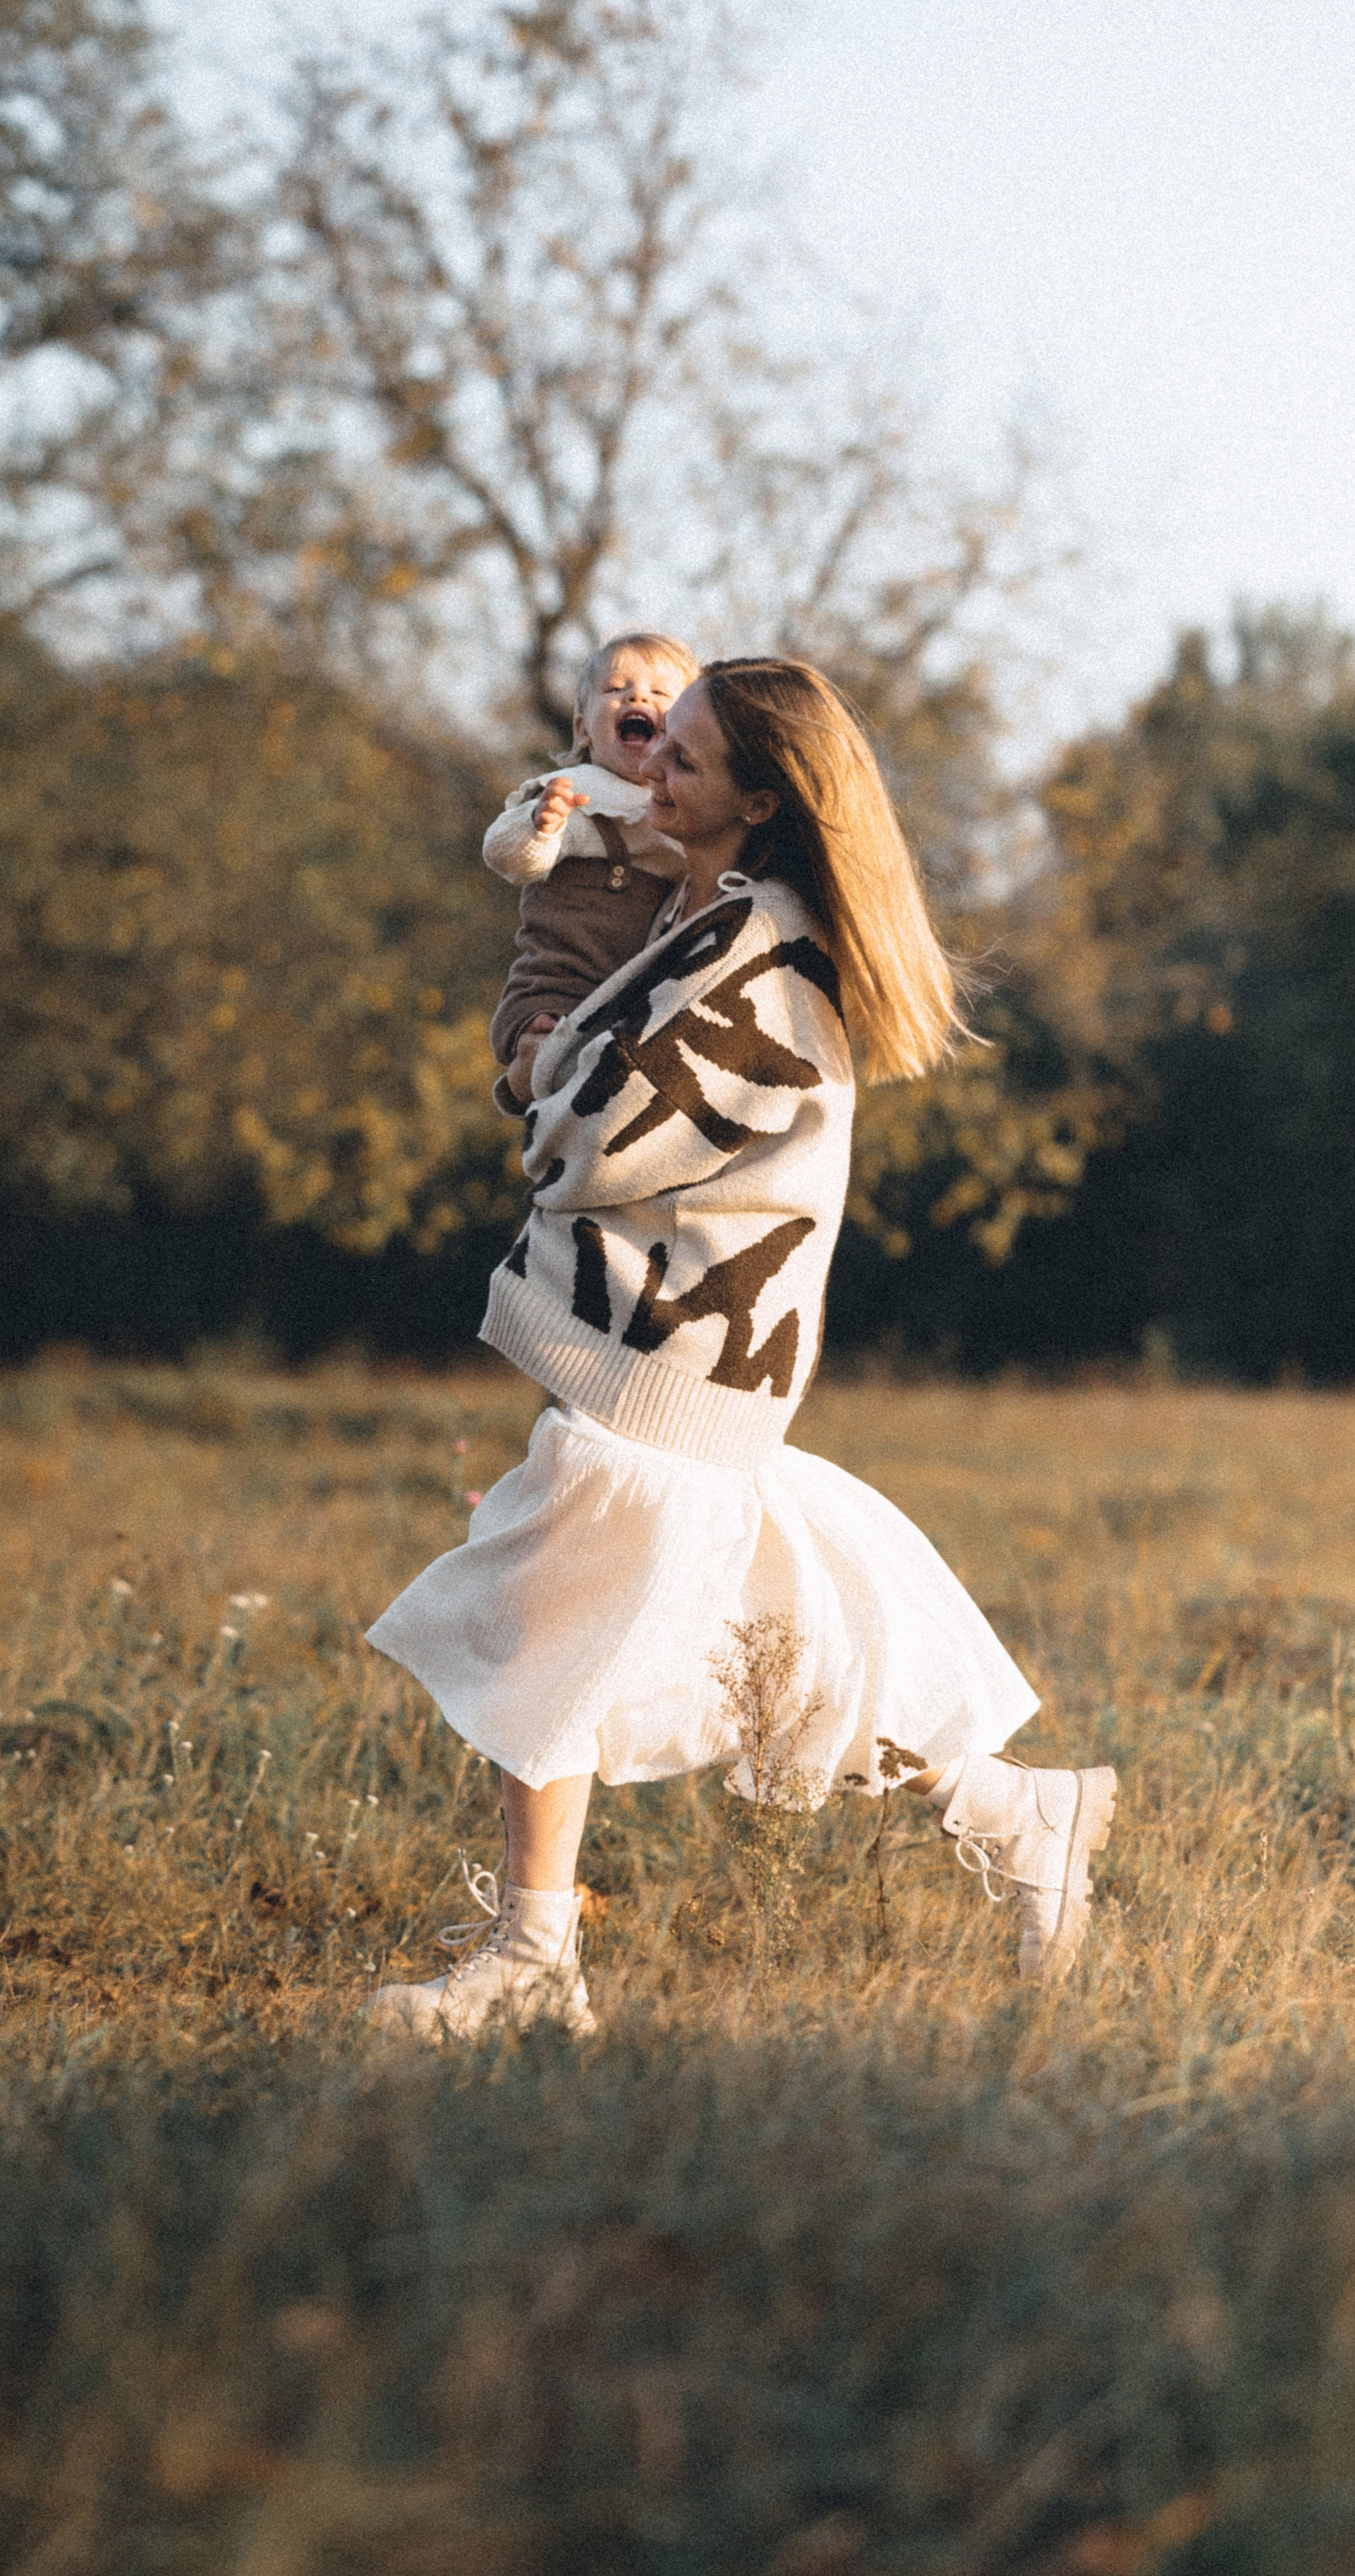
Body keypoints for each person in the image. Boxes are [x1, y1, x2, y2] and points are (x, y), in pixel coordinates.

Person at [365, 658, 1115, 2038]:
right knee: (774, 1644)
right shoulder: (714, 912)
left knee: (545, 1621)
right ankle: (1021, 1815)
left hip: (673, 1347)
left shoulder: (756, 948)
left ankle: (533, 1960)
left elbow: (593, 1138)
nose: (650, 771)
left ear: (760, 799)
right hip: (688, 1342)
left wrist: (532, 1077)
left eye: (686, 762)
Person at [484, 632, 701, 1115]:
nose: (637, 697)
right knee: (548, 1050)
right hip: (562, 979)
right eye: (616, 688)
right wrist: (541, 827)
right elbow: (506, 854)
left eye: (661, 693)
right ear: (583, 730)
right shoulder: (575, 793)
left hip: (637, 991)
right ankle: (522, 1081)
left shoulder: (690, 805)